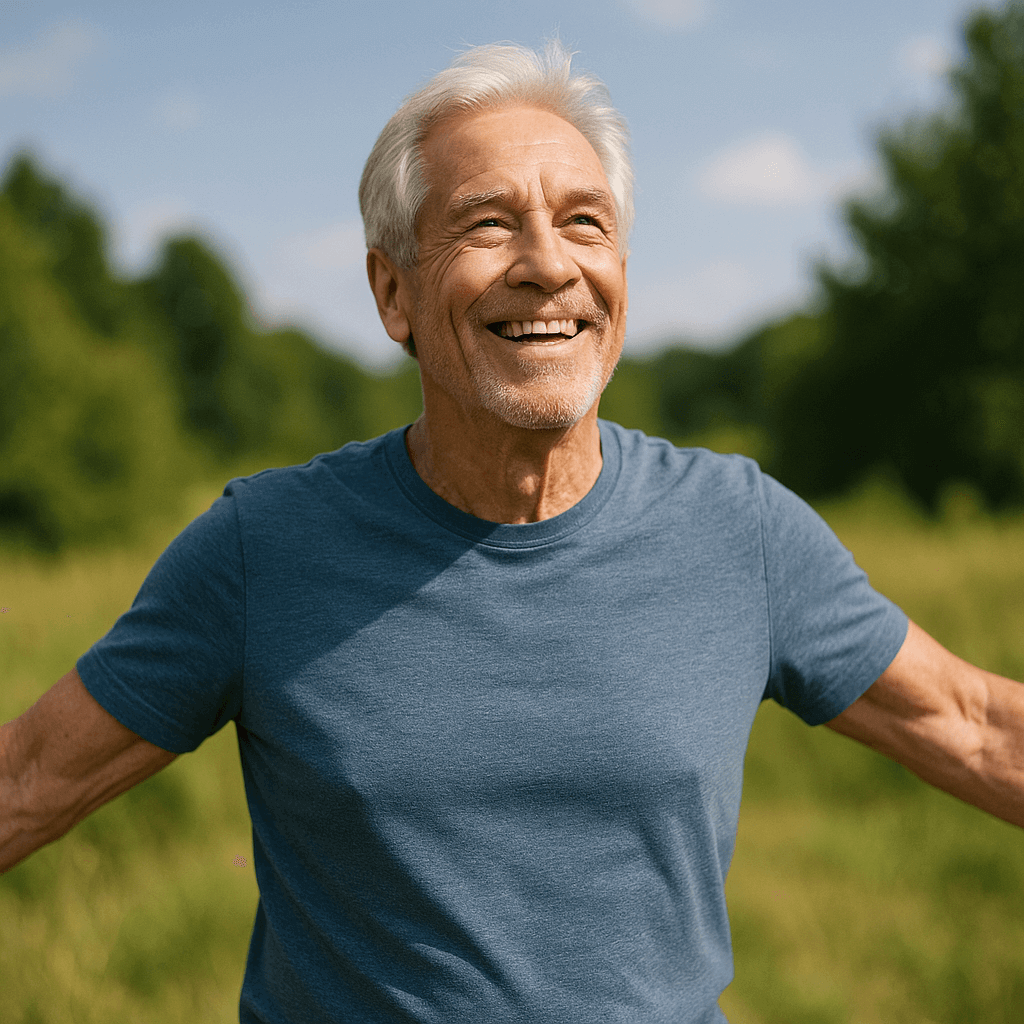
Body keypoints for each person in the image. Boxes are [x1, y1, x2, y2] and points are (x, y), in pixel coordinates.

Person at [2, 40, 1023, 1024]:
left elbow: (976, 727)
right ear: (392, 291)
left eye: (585, 223)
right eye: (487, 224)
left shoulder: (738, 529)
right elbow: (29, 780)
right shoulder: (259, 550)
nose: (546, 265)